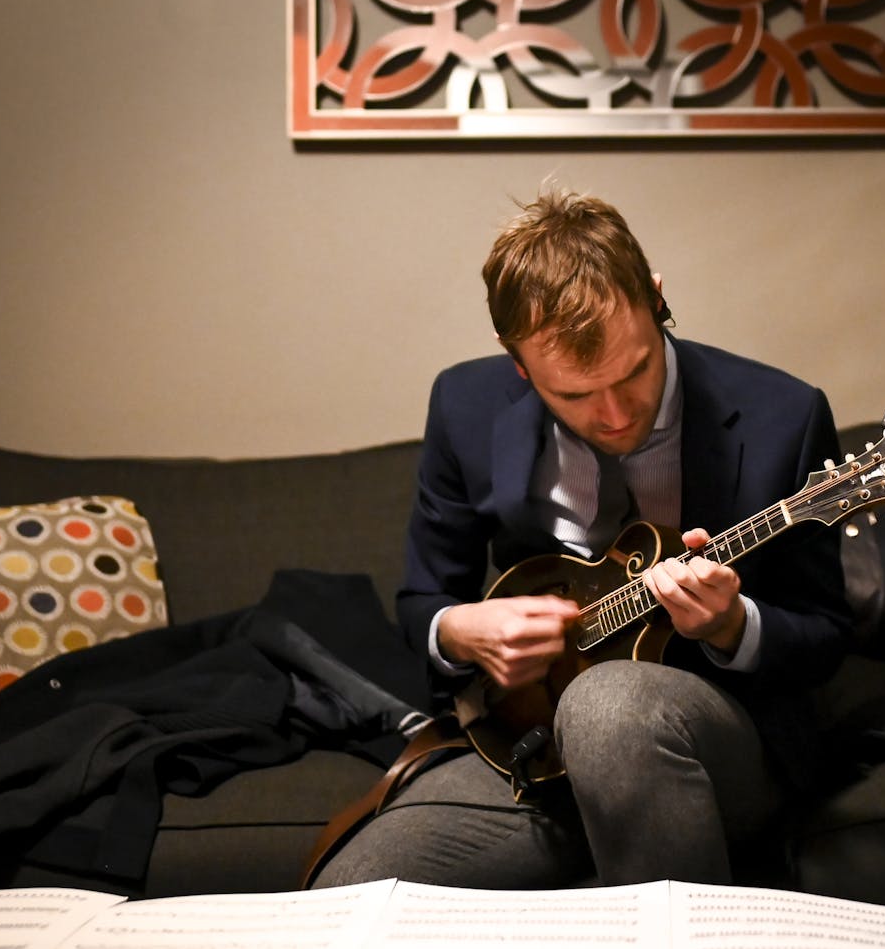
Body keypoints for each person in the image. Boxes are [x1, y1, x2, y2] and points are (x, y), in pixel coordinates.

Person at [312, 190, 851, 890]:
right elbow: (425, 599)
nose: (616, 413)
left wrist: (730, 624)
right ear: (518, 364)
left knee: (609, 706)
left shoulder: (786, 414)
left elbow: (827, 632)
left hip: (717, 739)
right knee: (353, 884)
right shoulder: (464, 405)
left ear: (656, 301)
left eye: (636, 371)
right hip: (534, 747)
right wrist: (463, 629)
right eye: (574, 394)